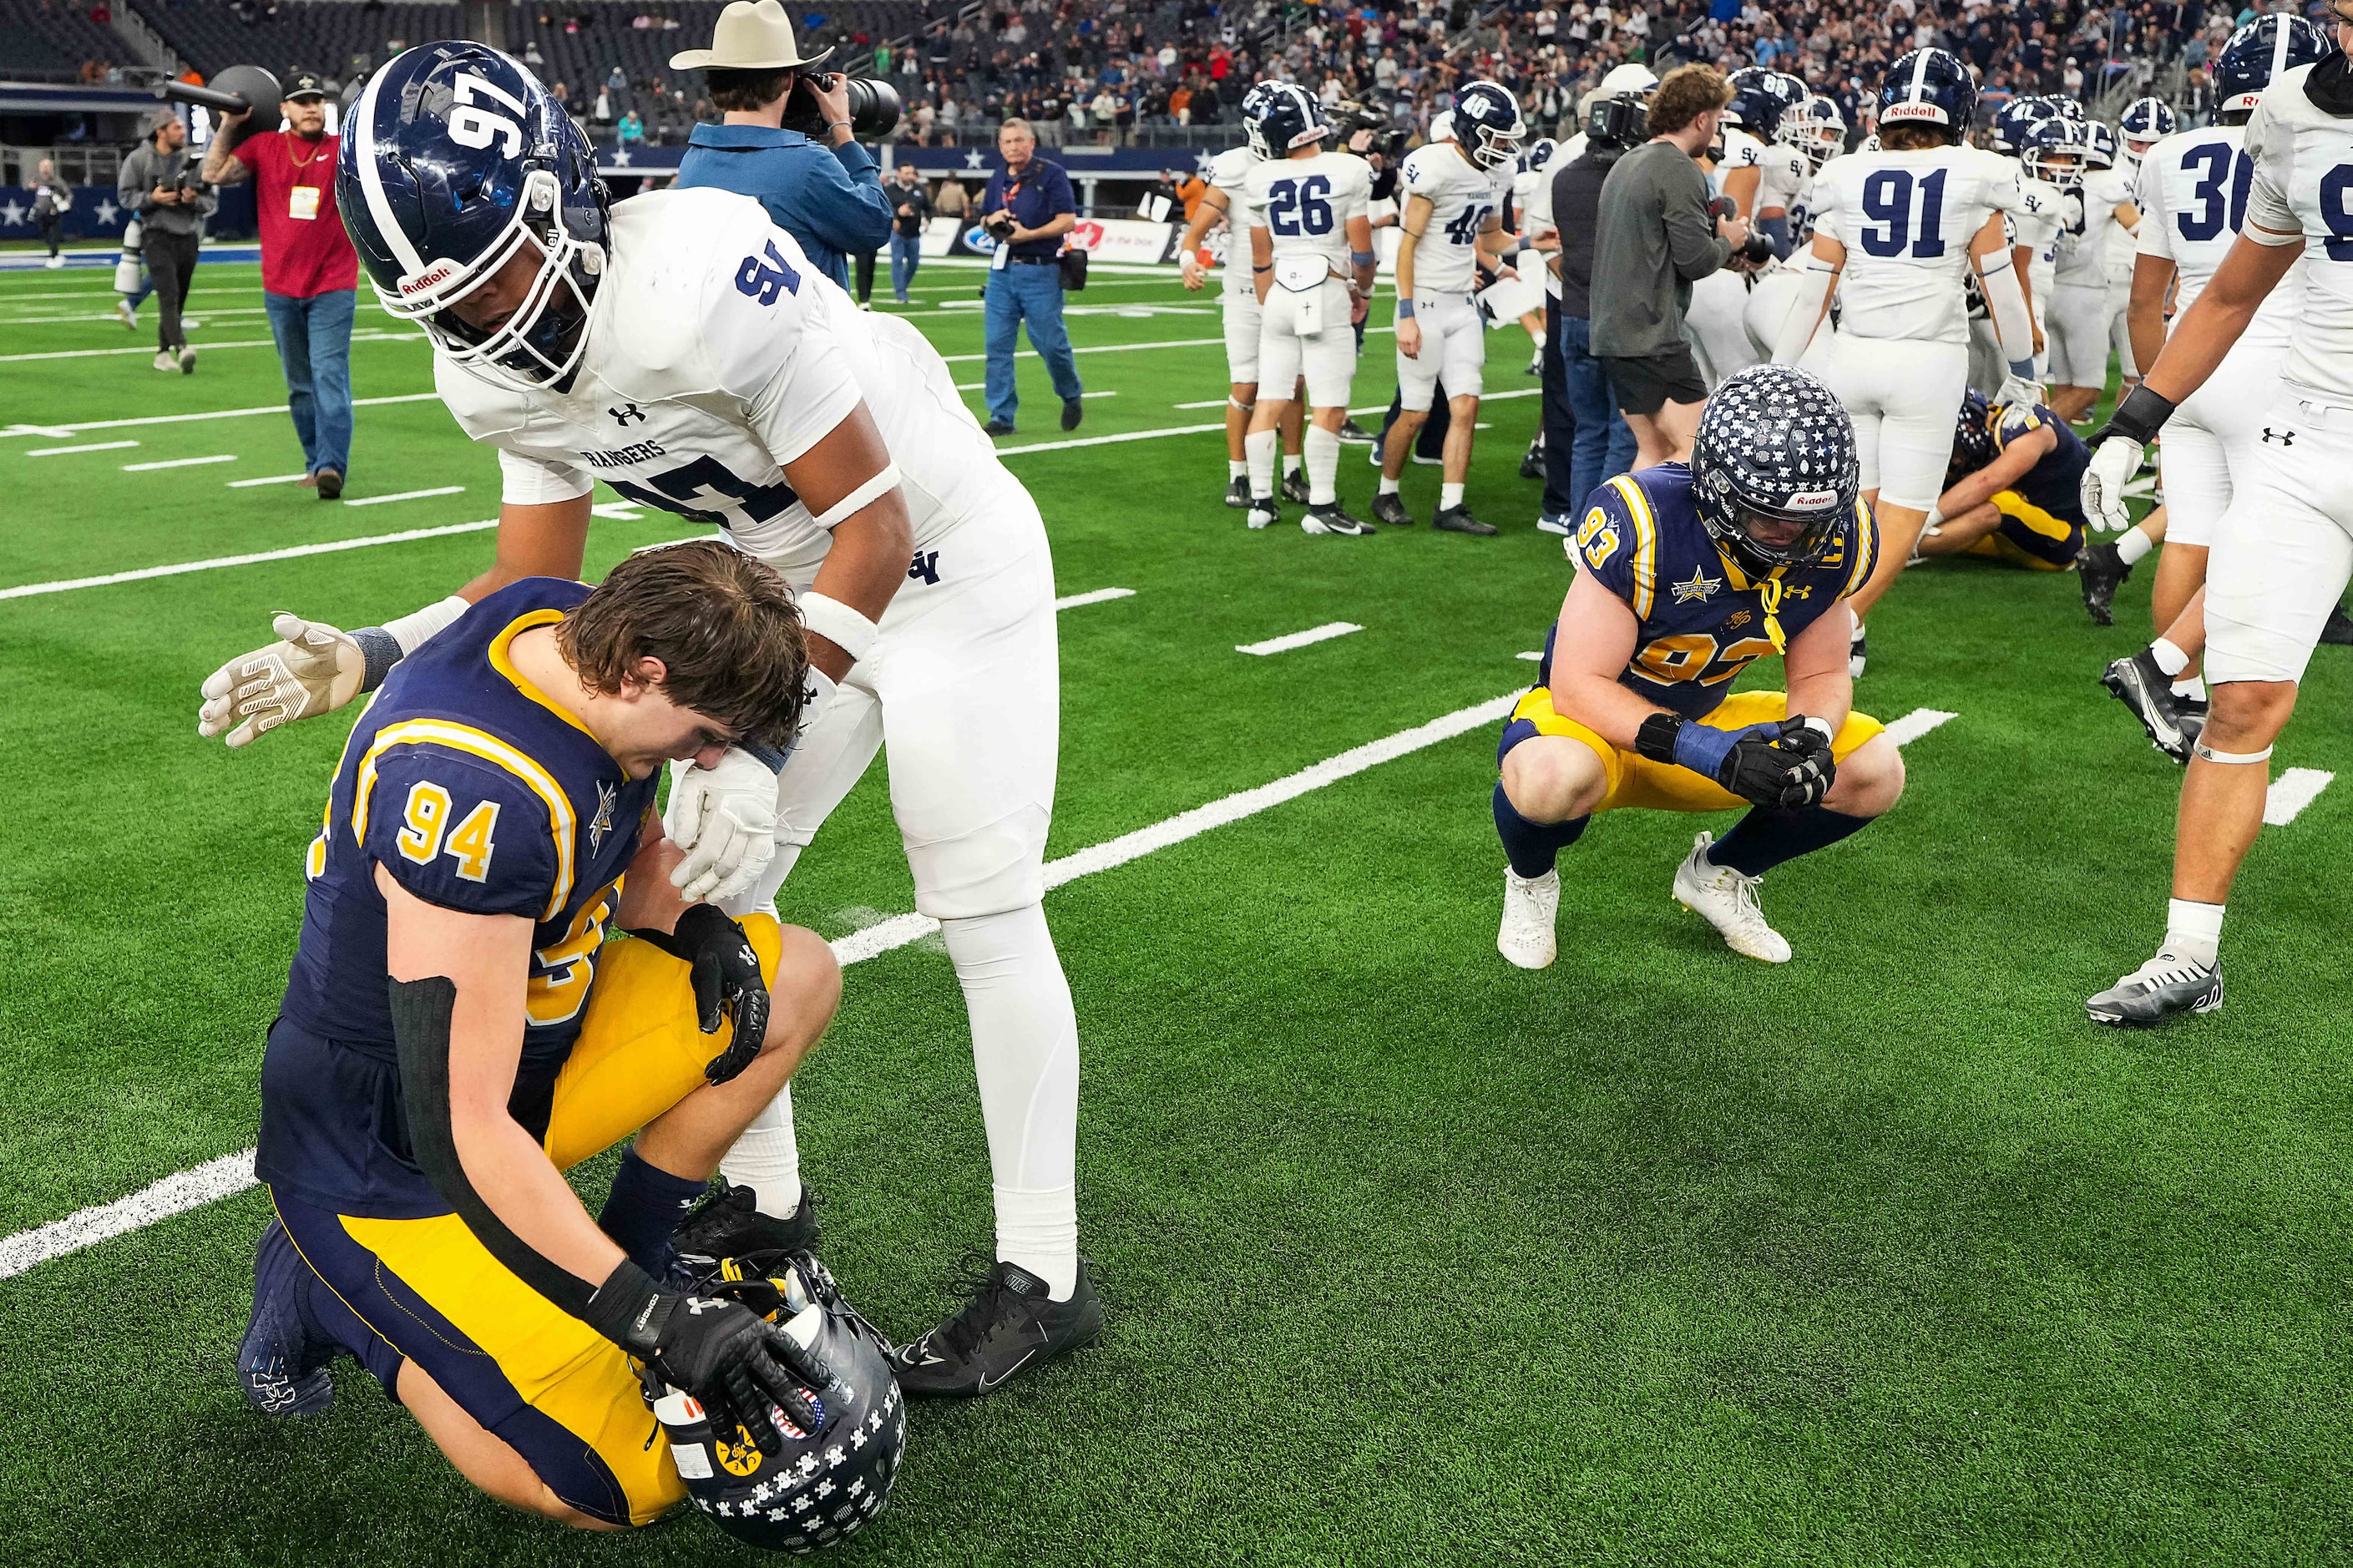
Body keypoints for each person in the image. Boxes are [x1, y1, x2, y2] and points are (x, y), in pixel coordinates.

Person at [200, 43, 1101, 1393]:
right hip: (776, 595)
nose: (490, 323)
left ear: (562, 204)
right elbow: (529, 573)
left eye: (503, 273)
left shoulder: (698, 273)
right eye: (450, 304)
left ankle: (1045, 1271)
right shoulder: (488, 370)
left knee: (978, 901)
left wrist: (747, 735)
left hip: (940, 562)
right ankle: (768, 1199)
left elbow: (873, 524)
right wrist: (377, 648)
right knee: (695, 894)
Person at [227, 539, 908, 1548]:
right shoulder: (472, 792)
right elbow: (460, 1131)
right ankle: (326, 1300)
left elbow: (617, 835)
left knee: (793, 973)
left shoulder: (560, 623)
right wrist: (657, 1322)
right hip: (390, 1155)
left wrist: (692, 922)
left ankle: (621, 1255)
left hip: (528, 1060)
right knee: (622, 1482)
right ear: (644, 672)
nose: (696, 762)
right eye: (698, 736)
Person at [2077, 0, 2353, 1026]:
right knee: (2237, 706)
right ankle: (2188, 954)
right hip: (2309, 435)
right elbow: (2230, 294)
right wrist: (2131, 418)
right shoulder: (2294, 110)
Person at [1492, 364, 1903, 969]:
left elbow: (1819, 675)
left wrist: (1811, 734)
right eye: (1772, 517)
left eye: (1809, 520)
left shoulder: (1840, 538)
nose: (1793, 538)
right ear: (1715, 487)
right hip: (1591, 731)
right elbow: (1577, 686)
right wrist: (1716, 754)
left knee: (1873, 770)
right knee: (1548, 776)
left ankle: (1716, 875)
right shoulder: (1646, 519)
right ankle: (1531, 880)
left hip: (1704, 716)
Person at [2084, 18, 2335, 754]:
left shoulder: (2167, 156)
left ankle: (2177, 692)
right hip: (2282, 365)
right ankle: (2183, 680)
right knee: (2268, 535)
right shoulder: (2314, 140)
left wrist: (2148, 395)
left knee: (2189, 535)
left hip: (2188, 363)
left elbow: (2145, 298)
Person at [1769, 48, 2042, 680]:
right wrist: (2024, 374)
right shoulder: (1977, 177)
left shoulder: (1844, 176)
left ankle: (1834, 613)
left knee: (1856, 504)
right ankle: (1845, 622)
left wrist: (1778, 368)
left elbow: (1816, 290)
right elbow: (2001, 292)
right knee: (1907, 508)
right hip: (1927, 361)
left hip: (1853, 355)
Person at [1372, 78, 1523, 535]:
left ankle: (1451, 505)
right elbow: (1406, 246)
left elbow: (1492, 237)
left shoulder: (1497, 173)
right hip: (1426, 302)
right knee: (1415, 412)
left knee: (1466, 406)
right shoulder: (1433, 166)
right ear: (1472, 130)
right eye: (1496, 136)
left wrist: (1534, 242)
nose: (1504, 147)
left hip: (1463, 305)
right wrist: (1405, 313)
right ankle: (1386, 491)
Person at [200, 71, 359, 499]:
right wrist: (230, 123)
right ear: (283, 109)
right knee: (299, 383)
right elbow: (212, 173)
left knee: (329, 375)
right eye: (301, 101)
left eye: (317, 100)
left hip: (333, 286)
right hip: (281, 288)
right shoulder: (264, 146)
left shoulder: (344, 151)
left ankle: (331, 466)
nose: (311, 107)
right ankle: (314, 461)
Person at [670, 0, 894, 292]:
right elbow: (874, 227)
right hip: (800, 336)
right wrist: (843, 132)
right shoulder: (809, 165)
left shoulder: (693, 162)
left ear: (713, 85)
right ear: (790, 80)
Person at [1589, 65, 1751, 468]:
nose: (1715, 131)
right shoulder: (1678, 168)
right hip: (1651, 336)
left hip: (1615, 332)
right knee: (1698, 452)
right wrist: (1728, 240)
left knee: (1654, 451)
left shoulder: (1629, 162)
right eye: (1714, 120)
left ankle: (1616, 532)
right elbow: (1695, 261)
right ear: (1701, 118)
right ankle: (1663, 533)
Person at [1239, 82, 1377, 535]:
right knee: (1330, 405)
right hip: (1326, 291)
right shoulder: (1349, 169)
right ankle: (1321, 506)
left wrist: (1269, 307)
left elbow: (1260, 257)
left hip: (1279, 291)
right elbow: (1361, 251)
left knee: (1270, 399)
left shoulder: (1260, 178)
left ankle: (1260, 501)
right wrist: (1364, 292)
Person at [1180, 83, 1308, 509]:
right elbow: (1200, 225)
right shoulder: (1235, 166)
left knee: (1294, 383)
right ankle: (1239, 473)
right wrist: (1188, 257)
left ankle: (1292, 470)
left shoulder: (1307, 161)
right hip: (1243, 288)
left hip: (1294, 286)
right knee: (1248, 384)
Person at [1546, 83, 1649, 534]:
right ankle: (1601, 534)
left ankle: (1577, 529)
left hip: (1573, 313)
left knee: (1588, 431)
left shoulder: (1565, 176)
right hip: (1618, 317)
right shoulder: (1631, 176)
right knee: (1622, 432)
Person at [979, 117, 1084, 436]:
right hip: (1002, 272)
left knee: (1051, 343)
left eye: (1019, 141)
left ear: (1031, 143)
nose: (1013, 147)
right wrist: (991, 219)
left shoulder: (1051, 174)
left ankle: (1070, 394)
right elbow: (984, 219)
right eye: (1007, 142)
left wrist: (1030, 234)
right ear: (1000, 146)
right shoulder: (998, 177)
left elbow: (1068, 221)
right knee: (997, 345)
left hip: (1041, 269)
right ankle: (1001, 415)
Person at [2037, 119, 2143, 423]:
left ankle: (2048, 464)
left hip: (2050, 289)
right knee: (2088, 390)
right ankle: (2026, 439)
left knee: (2064, 385)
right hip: (2085, 294)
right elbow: (2139, 230)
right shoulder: (2110, 184)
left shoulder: (2053, 181)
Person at [1916, 392, 2090, 570]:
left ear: (1970, 426)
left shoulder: (2027, 429)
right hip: (2005, 535)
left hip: (2061, 539)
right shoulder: (1987, 433)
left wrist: (1930, 518)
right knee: (1951, 498)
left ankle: (1895, 550)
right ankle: (1898, 542)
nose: (1953, 460)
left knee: (1998, 502)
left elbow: (1988, 481)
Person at [118, 108, 210, 374]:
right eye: (177, 128)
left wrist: (193, 201)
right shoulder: (139, 160)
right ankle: (181, 348)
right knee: (168, 294)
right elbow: (125, 196)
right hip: (155, 234)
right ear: (160, 131)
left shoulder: (194, 161)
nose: (183, 132)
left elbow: (210, 200)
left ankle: (162, 352)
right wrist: (152, 199)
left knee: (178, 297)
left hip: (187, 235)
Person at [885, 159, 931, 303]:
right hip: (898, 232)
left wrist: (929, 219)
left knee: (914, 263)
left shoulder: (919, 189)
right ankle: (901, 293)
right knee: (897, 261)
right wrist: (897, 214)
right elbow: (884, 206)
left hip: (914, 232)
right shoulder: (890, 190)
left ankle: (902, 287)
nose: (910, 176)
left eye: (911, 173)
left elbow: (929, 206)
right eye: (906, 173)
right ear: (899, 174)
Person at [29, 158, 71, 268]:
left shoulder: (57, 181)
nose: (44, 169)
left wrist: (66, 203)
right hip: (42, 211)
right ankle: (55, 248)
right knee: (45, 234)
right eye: (42, 167)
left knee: (53, 233)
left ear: (51, 168)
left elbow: (68, 194)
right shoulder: (37, 179)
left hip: (54, 211)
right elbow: (28, 187)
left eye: (47, 167)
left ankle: (54, 255)